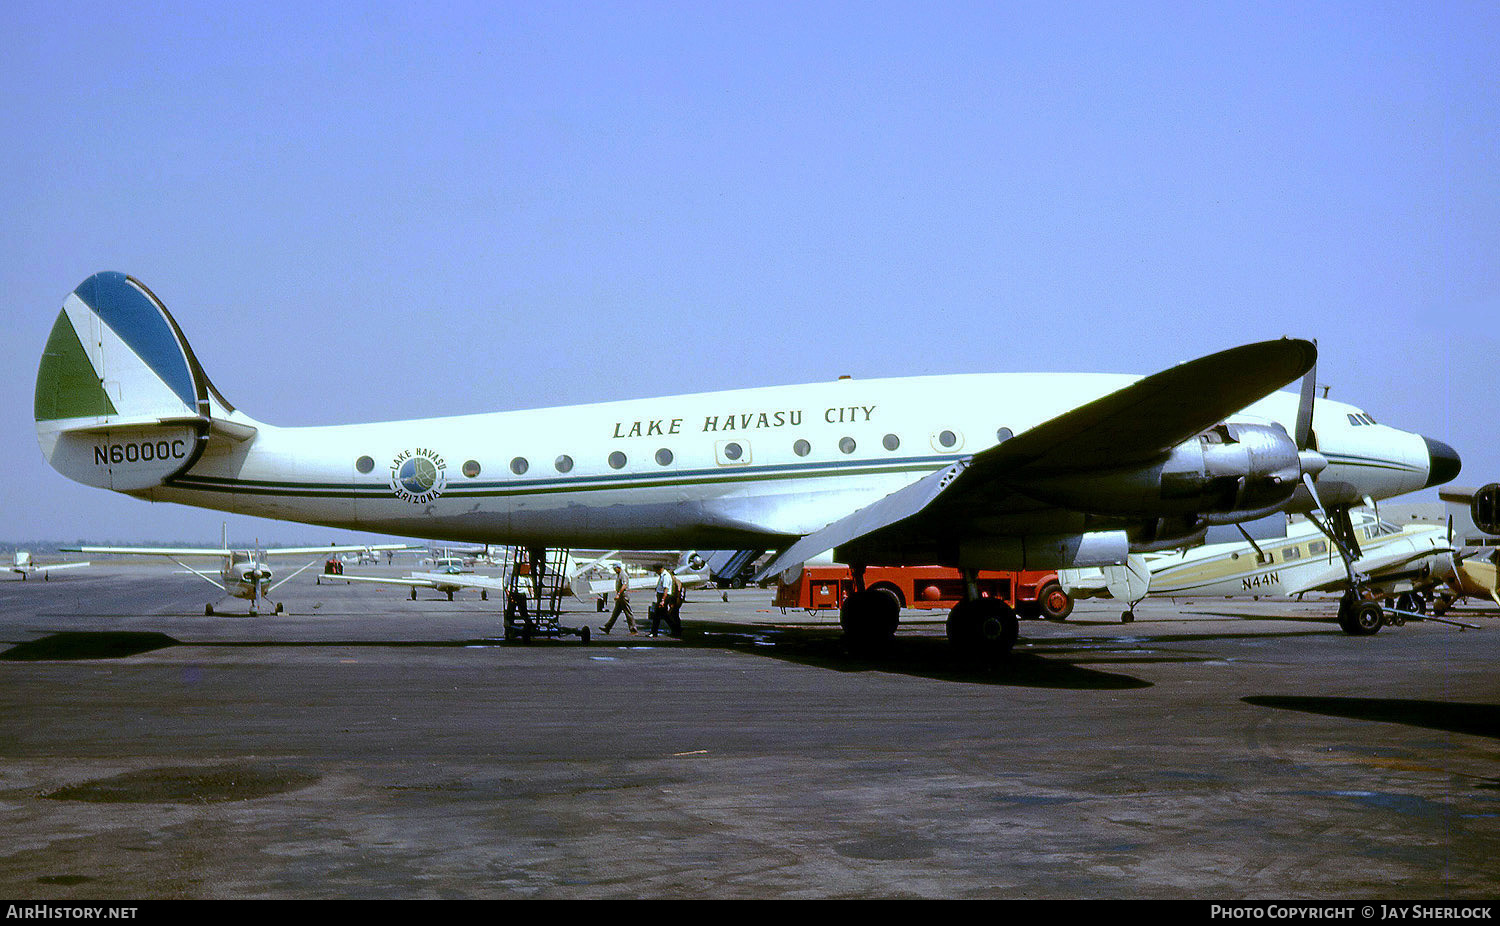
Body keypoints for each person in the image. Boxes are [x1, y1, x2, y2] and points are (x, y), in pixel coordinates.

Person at [601, 564, 637, 635]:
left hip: (623, 596)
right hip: (620, 597)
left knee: (628, 613)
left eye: (615, 569)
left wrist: (618, 594)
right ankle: (607, 627)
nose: (614, 570)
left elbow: (624, 585)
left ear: (618, 568)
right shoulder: (619, 574)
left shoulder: (623, 574)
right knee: (615, 613)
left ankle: (633, 630)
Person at [649, 564, 682, 637]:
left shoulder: (666, 576)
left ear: (659, 569)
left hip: (664, 597)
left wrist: (663, 600)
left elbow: (666, 589)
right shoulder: (662, 576)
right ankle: (675, 630)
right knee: (662, 615)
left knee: (661, 615)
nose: (656, 572)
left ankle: (655, 632)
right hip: (662, 597)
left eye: (656, 570)